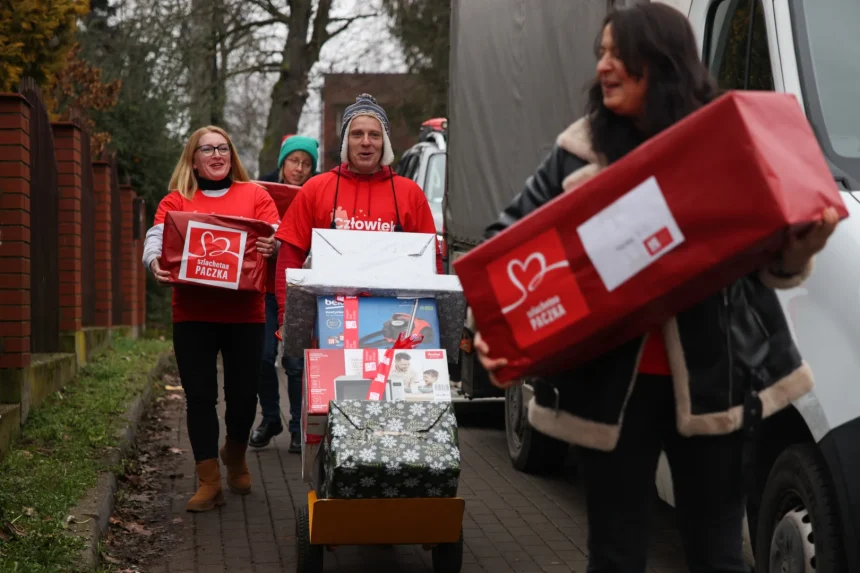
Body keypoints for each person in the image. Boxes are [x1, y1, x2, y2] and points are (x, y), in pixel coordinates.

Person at [473, 5, 839, 573]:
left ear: (663, 62)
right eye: (601, 54)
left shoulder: (725, 143)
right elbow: (504, 243)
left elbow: (769, 267)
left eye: (619, 54)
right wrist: (496, 324)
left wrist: (804, 240)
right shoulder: (578, 151)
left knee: (717, 556)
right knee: (615, 558)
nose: (604, 66)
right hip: (609, 392)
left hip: (715, 384)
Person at [274, 94, 442, 447]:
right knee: (329, 424)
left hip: (395, 333)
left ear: (386, 143)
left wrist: (433, 324)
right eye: (357, 134)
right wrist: (288, 318)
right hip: (331, 329)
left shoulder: (409, 194)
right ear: (345, 141)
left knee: (391, 425)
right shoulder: (316, 189)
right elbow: (289, 256)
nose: (366, 142)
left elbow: (431, 265)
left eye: (374, 135)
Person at [143, 126, 280, 513]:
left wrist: (273, 245)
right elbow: (156, 238)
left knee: (244, 397)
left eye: (223, 148)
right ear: (193, 159)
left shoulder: (256, 195)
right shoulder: (176, 200)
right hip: (193, 314)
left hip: (245, 315)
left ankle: (234, 455)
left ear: (231, 156)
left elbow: (276, 235)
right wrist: (153, 262)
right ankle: (209, 481)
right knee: (200, 397)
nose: (217, 155)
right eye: (207, 149)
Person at [250, 134, 320, 452]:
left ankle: (296, 427)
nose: (299, 168)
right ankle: (270, 418)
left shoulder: (318, 193)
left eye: (306, 163)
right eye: (294, 160)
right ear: (282, 163)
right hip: (265, 288)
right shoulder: (260, 191)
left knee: (294, 361)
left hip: (302, 288)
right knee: (262, 357)